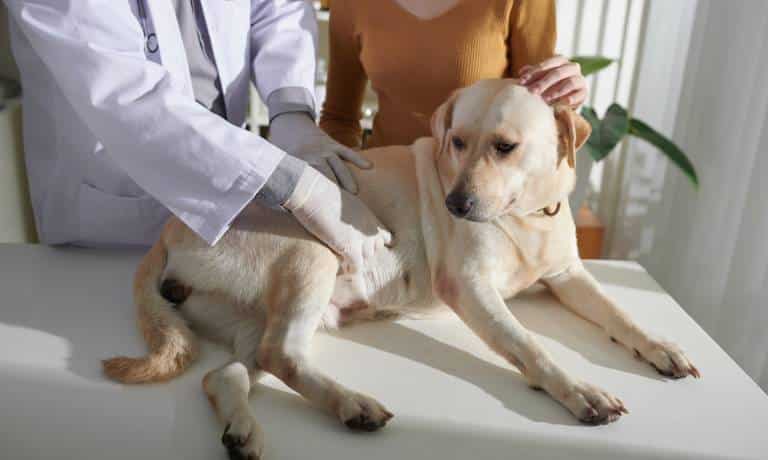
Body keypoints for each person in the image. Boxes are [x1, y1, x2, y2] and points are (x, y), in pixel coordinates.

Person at [4, 0, 389, 271]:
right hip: (113, 230)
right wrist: (293, 185)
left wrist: (292, 113)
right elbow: (130, 99)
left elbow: (278, 7)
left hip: (227, 206)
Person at [319, 0, 588, 149]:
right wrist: (346, 192)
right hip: (386, 195)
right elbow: (338, 120)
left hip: (478, 200)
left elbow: (541, 110)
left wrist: (566, 94)